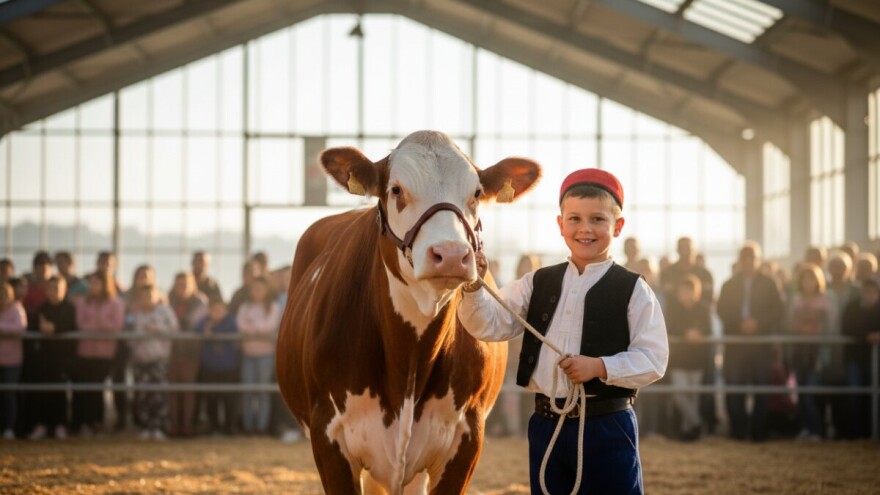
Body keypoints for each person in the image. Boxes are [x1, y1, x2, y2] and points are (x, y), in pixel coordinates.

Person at [459, 169, 668, 494]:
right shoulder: (536, 282)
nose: (585, 229)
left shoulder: (634, 289)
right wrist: (473, 286)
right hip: (546, 424)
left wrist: (600, 367)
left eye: (597, 219)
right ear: (560, 225)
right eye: (575, 219)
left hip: (607, 424)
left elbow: (654, 359)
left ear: (618, 226)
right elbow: (488, 324)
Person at [717, 242, 783, 442]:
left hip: (760, 344)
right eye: (745, 257)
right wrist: (740, 323)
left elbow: (777, 310)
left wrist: (758, 323)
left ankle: (759, 432)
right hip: (735, 344)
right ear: (739, 260)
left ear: (759, 260)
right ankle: (738, 431)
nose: (748, 262)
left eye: (752, 257)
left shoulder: (769, 283)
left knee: (761, 388)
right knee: (734, 387)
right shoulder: (729, 284)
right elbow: (721, 310)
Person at [73, 272, 124, 437]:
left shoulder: (115, 303)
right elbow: (80, 324)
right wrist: (100, 326)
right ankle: (86, 422)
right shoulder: (83, 302)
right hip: (85, 352)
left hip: (106, 353)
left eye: (97, 283)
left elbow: (117, 326)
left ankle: (98, 422)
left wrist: (97, 324)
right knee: (86, 389)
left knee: (98, 388)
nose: (93, 286)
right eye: (91, 283)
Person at [26, 276, 76, 440]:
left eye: (57, 288)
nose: (54, 292)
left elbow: (71, 326)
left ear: (64, 290)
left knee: (60, 392)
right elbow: (32, 327)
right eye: (51, 288)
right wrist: (42, 328)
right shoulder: (41, 308)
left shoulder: (69, 308)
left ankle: (60, 424)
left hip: (63, 357)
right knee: (42, 391)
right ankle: (42, 424)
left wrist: (54, 328)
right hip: (43, 357)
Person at [787, 263, 833, 441]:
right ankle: (806, 427)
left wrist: (813, 330)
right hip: (799, 352)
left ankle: (817, 429)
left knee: (810, 393)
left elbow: (827, 328)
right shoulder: (796, 300)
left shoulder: (825, 300)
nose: (808, 283)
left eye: (811, 279)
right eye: (805, 279)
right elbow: (790, 324)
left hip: (817, 354)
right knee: (801, 392)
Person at [664, 275, 711, 441]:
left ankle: (688, 431)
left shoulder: (704, 309)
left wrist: (699, 334)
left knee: (693, 397)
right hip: (679, 360)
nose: (684, 294)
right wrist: (686, 333)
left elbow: (708, 329)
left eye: (688, 291)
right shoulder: (673, 309)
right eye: (682, 291)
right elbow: (669, 327)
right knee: (679, 395)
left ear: (695, 292)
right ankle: (697, 423)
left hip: (697, 360)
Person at [129, 285, 179, 441]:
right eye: (144, 296)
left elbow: (174, 329)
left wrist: (157, 329)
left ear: (157, 296)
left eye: (150, 296)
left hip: (159, 359)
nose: (147, 299)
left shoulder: (165, 311)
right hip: (141, 360)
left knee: (159, 394)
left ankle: (159, 427)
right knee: (143, 394)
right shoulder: (136, 315)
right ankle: (145, 427)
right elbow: (130, 335)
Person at [237, 276, 279, 434]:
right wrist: (257, 329)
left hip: (266, 355)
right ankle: (248, 426)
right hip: (248, 354)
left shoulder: (273, 306)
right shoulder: (244, 306)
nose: (257, 291)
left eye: (260, 288)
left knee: (263, 391)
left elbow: (270, 325)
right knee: (247, 391)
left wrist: (252, 328)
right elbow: (240, 324)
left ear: (266, 290)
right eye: (254, 288)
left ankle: (261, 427)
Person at [167, 273, 207, 437]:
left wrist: (178, 322)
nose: (181, 288)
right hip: (172, 351)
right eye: (178, 285)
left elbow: (193, 323)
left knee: (188, 389)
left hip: (191, 351)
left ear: (192, 285)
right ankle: (174, 425)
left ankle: (187, 425)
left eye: (185, 285)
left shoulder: (200, 302)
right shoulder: (169, 300)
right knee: (173, 389)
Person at [840, 277, 880, 439]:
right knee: (854, 394)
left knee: (874, 395)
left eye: (872, 292)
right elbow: (846, 328)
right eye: (866, 291)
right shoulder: (852, 308)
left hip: (876, 360)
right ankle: (855, 433)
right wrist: (867, 336)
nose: (869, 295)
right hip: (854, 358)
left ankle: (873, 431)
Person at [197, 299, 239, 436]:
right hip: (210, 367)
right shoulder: (205, 321)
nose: (217, 313)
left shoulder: (230, 320)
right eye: (214, 310)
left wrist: (213, 329)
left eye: (220, 310)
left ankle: (229, 427)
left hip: (227, 367)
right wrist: (208, 327)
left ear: (225, 311)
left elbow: (231, 329)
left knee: (228, 399)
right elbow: (197, 328)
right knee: (211, 398)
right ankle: (213, 426)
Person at [0, 281, 26, 440]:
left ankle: (9, 427)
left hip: (12, 360)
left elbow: (20, 326)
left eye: (4, 295)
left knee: (9, 394)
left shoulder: (16, 308)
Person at [661, 237, 714, 305]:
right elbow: (664, 298)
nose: (685, 251)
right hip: (674, 311)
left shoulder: (705, 274)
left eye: (688, 248)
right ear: (677, 250)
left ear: (694, 250)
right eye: (682, 248)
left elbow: (708, 298)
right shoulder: (667, 274)